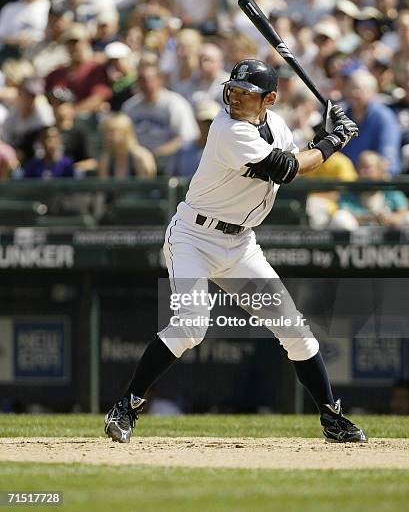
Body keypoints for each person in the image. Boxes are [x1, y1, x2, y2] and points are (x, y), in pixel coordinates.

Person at [104, 58, 368, 445]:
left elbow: (297, 156)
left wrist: (322, 132)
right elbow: (286, 169)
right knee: (191, 325)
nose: (237, 99)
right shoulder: (227, 129)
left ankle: (331, 417)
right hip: (194, 237)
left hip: (241, 244)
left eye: (247, 94)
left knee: (295, 331)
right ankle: (126, 406)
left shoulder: (276, 125)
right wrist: (334, 140)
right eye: (234, 91)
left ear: (270, 99)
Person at [98, 112, 156, 178]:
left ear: (126, 133)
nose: (108, 137)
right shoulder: (105, 159)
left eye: (112, 132)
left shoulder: (140, 158)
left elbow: (146, 185)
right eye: (106, 133)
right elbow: (105, 186)